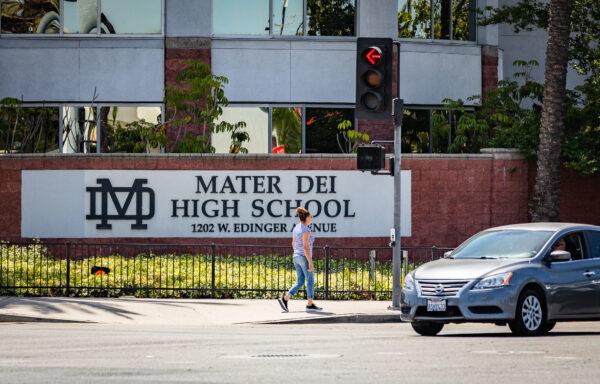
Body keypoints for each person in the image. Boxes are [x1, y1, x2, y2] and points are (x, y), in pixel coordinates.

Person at [277, 207, 322, 312]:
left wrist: (297, 253)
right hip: (303, 257)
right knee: (310, 280)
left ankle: (285, 298)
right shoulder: (306, 230)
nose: (312, 218)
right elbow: (306, 247)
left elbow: (293, 243)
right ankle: (310, 305)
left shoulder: (296, 227)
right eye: (310, 217)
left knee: (300, 281)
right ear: (306, 218)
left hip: (296, 256)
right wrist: (310, 262)